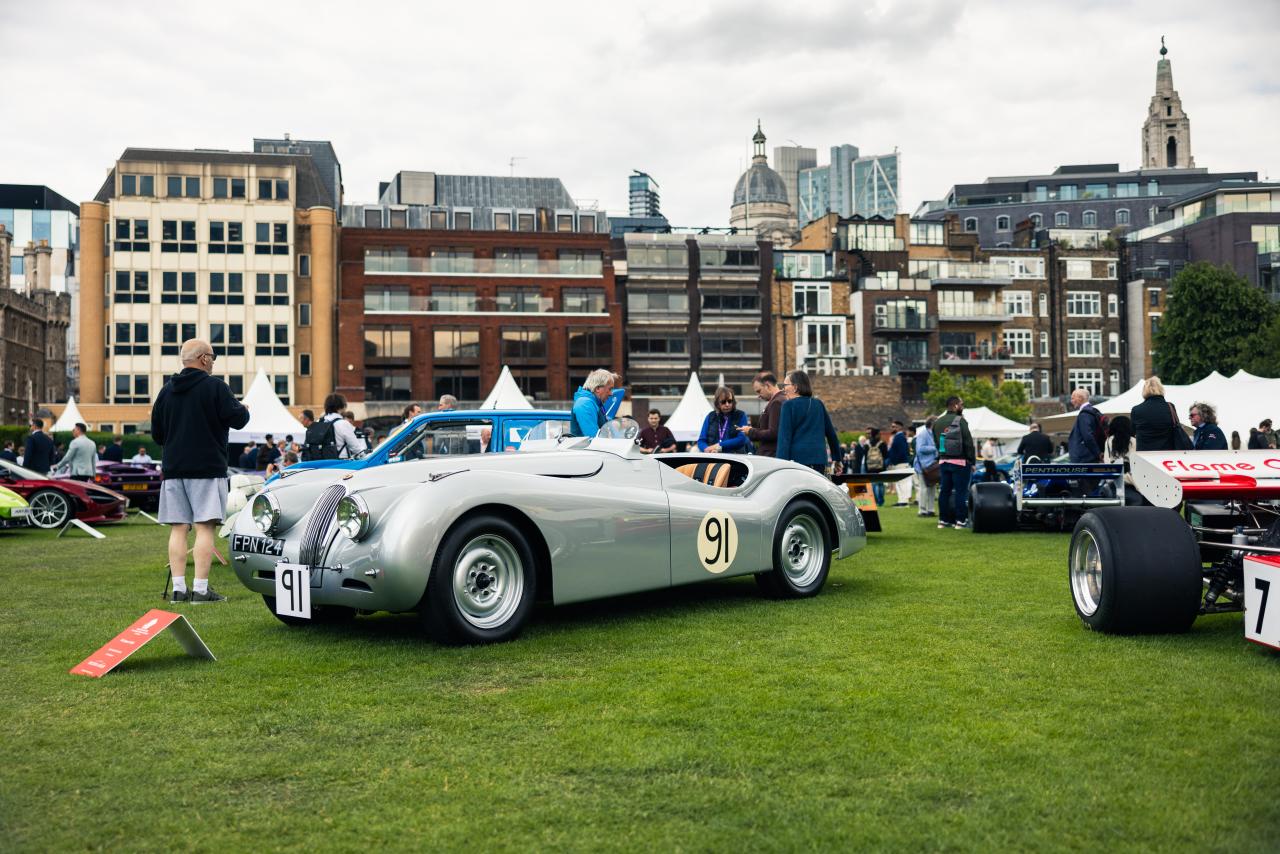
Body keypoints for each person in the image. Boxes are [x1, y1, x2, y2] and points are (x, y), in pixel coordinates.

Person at [150, 338, 250, 604]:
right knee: (205, 528)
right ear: (204, 358)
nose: (214, 362)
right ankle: (202, 590)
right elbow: (239, 420)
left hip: (174, 469)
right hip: (207, 467)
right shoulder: (216, 387)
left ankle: (179, 590)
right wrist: (243, 408)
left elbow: (158, 435)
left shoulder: (166, 391)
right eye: (213, 357)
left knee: (178, 529)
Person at [775, 370, 841, 474]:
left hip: (797, 461)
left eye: (785, 385)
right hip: (819, 460)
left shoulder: (788, 406)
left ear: (795, 387)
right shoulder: (818, 404)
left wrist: (780, 464)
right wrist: (837, 458)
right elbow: (831, 434)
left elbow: (784, 438)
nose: (783, 389)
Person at [934, 396, 975, 529]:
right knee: (960, 492)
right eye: (961, 404)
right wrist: (972, 460)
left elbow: (936, 442)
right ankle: (960, 521)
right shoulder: (961, 421)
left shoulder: (938, 422)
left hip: (944, 461)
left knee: (944, 491)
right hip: (960, 462)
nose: (963, 406)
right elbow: (968, 443)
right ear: (956, 406)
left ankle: (942, 520)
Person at [306, 394, 365, 460]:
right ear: (341, 407)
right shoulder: (343, 424)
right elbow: (356, 448)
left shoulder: (319, 422)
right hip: (339, 464)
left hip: (321, 464)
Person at [740, 371, 785, 457]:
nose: (758, 396)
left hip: (771, 455)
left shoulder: (776, 402)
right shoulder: (779, 400)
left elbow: (773, 433)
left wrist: (750, 431)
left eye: (759, 391)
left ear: (767, 385)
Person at [1131, 376, 1180, 452]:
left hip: (1144, 455)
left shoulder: (1136, 410)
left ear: (1144, 390)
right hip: (1166, 455)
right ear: (1161, 388)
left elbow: (1132, 432)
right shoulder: (1170, 407)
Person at [697, 387, 751, 454]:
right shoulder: (710, 416)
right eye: (723, 402)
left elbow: (741, 439)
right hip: (713, 457)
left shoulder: (741, 415)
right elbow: (701, 440)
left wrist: (718, 445)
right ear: (717, 403)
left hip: (735, 457)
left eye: (730, 401)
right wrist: (707, 449)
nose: (727, 404)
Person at [570, 369, 614, 438]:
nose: (611, 393)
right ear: (598, 389)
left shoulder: (590, 403)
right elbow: (593, 438)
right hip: (586, 448)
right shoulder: (585, 404)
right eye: (610, 389)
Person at [1067, 388, 1104, 463]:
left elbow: (1088, 436)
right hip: (1089, 457)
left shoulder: (1084, 414)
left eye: (1073, 398)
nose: (1071, 401)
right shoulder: (1092, 412)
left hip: (1084, 459)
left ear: (1080, 398)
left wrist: (1098, 454)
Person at [914, 416, 938, 517]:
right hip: (923, 466)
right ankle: (922, 510)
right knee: (923, 488)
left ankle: (931, 510)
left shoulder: (934, 434)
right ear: (932, 424)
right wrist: (934, 448)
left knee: (932, 488)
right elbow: (920, 449)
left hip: (932, 465)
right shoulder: (923, 434)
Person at [885, 420, 912, 506]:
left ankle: (904, 501)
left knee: (903, 482)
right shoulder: (897, 436)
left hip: (901, 463)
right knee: (899, 483)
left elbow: (902, 451)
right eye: (892, 426)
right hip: (898, 463)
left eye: (894, 426)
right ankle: (901, 500)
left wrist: (894, 460)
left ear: (899, 427)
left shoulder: (900, 436)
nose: (892, 428)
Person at [864, 427, 888, 505]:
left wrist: (866, 468)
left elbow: (865, 457)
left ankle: (875, 500)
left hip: (870, 467)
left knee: (873, 484)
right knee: (880, 484)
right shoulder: (882, 444)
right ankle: (880, 501)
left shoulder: (867, 444)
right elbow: (885, 455)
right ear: (877, 435)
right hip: (880, 467)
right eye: (879, 434)